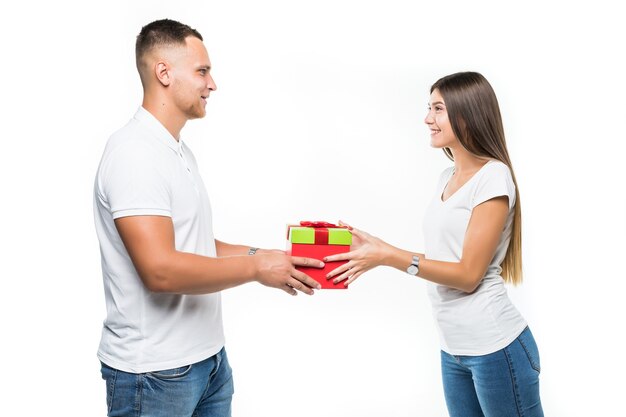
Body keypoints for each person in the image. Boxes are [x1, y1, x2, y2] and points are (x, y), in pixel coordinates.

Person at [93, 18, 323, 417]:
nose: (212, 84)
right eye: (202, 71)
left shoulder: (175, 151)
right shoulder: (134, 155)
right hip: (155, 375)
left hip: (209, 363)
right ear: (163, 72)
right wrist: (254, 268)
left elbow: (195, 244)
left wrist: (264, 254)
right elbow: (160, 270)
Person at [326, 72, 543, 416]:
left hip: (496, 348)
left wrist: (389, 256)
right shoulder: (448, 178)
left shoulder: (493, 177)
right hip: (453, 349)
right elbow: (447, 261)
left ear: (466, 113)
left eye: (438, 109)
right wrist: (379, 247)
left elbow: (469, 274)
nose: (427, 118)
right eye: (429, 108)